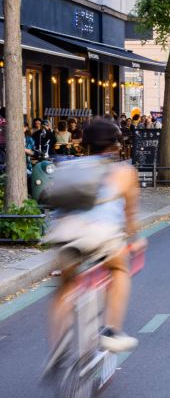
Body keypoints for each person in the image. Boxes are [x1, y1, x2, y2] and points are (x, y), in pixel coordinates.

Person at [46, 119, 146, 354]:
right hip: (100, 235)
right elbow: (129, 214)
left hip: (64, 233)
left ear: (85, 143)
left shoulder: (67, 167)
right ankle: (111, 331)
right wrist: (136, 240)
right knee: (119, 269)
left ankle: (58, 345)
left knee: (65, 287)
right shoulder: (124, 172)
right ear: (116, 145)